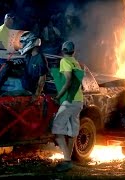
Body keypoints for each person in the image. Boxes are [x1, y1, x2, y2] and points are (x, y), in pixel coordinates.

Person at [51, 41, 84, 172]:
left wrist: (58, 97)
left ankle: (67, 160)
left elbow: (68, 80)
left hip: (69, 100)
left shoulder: (65, 61)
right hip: (79, 100)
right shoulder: (76, 63)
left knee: (57, 130)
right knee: (72, 132)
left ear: (62, 51)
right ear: (73, 51)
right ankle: (68, 160)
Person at [19, 32, 49, 101]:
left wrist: (36, 95)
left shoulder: (40, 58)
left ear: (30, 42)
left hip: (33, 94)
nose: (22, 45)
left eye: (24, 42)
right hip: (26, 91)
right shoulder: (28, 56)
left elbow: (42, 79)